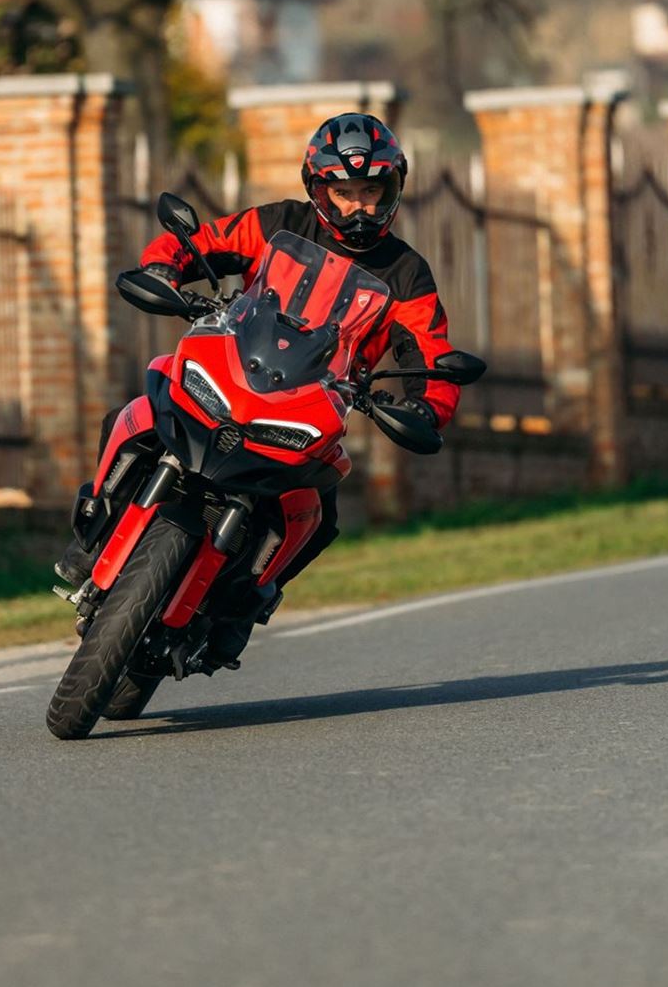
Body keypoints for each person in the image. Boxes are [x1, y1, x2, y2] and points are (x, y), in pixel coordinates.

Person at [59, 111, 463, 633]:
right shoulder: (279, 223)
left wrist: (427, 405)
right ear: (318, 188)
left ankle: (245, 601)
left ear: (393, 189)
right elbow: (200, 242)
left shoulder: (407, 273)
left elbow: (431, 354)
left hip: (313, 408)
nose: (359, 205)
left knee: (320, 516)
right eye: (344, 192)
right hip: (234, 368)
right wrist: (165, 267)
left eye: (371, 190)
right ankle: (95, 528)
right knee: (134, 413)